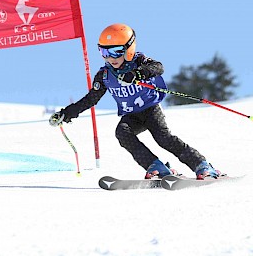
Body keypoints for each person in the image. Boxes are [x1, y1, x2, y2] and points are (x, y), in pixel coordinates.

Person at [49, 23, 221, 180]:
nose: (110, 58)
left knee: (163, 138)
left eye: (115, 51)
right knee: (122, 133)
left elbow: (158, 67)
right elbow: (90, 99)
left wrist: (138, 74)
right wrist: (66, 113)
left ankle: (202, 165)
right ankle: (156, 167)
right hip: (132, 115)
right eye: (104, 52)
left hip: (150, 109)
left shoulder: (139, 61)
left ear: (128, 49)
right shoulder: (104, 76)